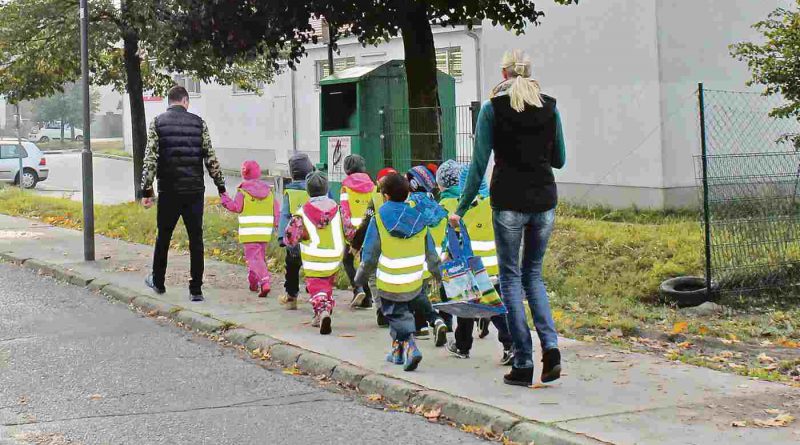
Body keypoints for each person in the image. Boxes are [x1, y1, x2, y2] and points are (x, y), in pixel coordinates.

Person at [451, 49, 566, 387]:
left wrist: (461, 207)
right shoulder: (550, 107)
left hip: (508, 203)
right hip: (544, 201)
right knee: (534, 275)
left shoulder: (492, 109)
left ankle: (523, 361)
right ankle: (552, 347)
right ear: (529, 74)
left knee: (511, 278)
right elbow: (559, 159)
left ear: (503, 75)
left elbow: (477, 166)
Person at [141, 85, 226, 302]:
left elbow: (150, 159)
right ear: (185, 101)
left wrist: (147, 190)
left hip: (169, 190)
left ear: (169, 102)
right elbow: (210, 158)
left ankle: (158, 282)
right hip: (194, 190)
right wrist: (221, 187)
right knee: (196, 239)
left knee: (164, 237)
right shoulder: (199, 123)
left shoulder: (157, 123)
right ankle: (196, 290)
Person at [355, 173, 442, 371]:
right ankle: (397, 352)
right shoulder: (419, 219)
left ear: (385, 196)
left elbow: (369, 255)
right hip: (414, 280)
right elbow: (431, 253)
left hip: (389, 282)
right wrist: (439, 274)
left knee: (397, 315)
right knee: (404, 314)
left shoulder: (378, 220)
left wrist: (359, 279)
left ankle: (411, 347)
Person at [283, 172, 344, 335]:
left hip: (314, 259)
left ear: (308, 191)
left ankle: (323, 311)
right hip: (335, 258)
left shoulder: (301, 213)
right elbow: (349, 230)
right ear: (327, 189)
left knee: (316, 288)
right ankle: (321, 315)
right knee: (326, 285)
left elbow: (290, 237)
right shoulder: (338, 210)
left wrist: (293, 241)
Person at [220, 160, 279, 298]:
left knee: (253, 259)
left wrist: (225, 200)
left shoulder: (243, 192)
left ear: (244, 174)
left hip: (249, 233)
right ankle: (253, 282)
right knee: (259, 258)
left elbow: (236, 207)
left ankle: (264, 282)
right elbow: (276, 209)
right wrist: (277, 224)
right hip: (264, 233)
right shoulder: (268, 192)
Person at [405, 165, 449, 347]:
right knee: (426, 292)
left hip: (418, 255)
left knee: (415, 292)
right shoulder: (437, 206)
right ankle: (427, 324)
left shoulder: (410, 205)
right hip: (437, 256)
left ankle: (431, 321)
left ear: (414, 184)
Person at [350, 167, 398, 327]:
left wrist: (356, 244)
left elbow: (365, 224)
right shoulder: (405, 196)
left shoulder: (376, 198)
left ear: (379, 182)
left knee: (372, 277)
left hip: (377, 243)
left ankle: (382, 310)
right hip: (396, 246)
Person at [277, 154, 315, 310]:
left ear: (292, 174)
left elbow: (285, 216)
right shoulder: (317, 189)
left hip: (294, 242)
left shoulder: (290, 194)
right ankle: (316, 292)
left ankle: (291, 297)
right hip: (314, 240)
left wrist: (281, 237)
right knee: (312, 268)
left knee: (292, 268)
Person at [339, 154, 376, 309]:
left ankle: (358, 288)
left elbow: (344, 211)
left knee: (347, 260)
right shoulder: (373, 186)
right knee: (364, 263)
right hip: (368, 230)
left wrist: (349, 235)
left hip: (353, 232)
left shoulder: (345, 187)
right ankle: (367, 298)